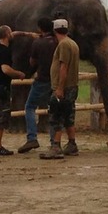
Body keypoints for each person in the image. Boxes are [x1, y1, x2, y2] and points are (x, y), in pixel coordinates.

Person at [39, 19, 80, 160]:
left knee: (56, 117)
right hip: (72, 86)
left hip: (63, 87)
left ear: (55, 30)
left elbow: (63, 67)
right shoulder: (72, 43)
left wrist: (59, 88)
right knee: (69, 116)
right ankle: (72, 143)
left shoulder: (63, 45)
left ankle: (56, 146)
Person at [18, 17, 58, 154]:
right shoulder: (58, 42)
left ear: (40, 28)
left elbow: (32, 62)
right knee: (54, 110)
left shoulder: (37, 43)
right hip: (55, 81)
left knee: (29, 107)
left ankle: (32, 137)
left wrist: (27, 73)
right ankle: (54, 141)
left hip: (41, 80)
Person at [0, 25, 26, 156]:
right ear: (6, 35)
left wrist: (28, 34)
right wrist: (19, 74)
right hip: (1, 88)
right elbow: (6, 69)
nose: (12, 34)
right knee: (1, 118)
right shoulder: (4, 51)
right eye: (10, 33)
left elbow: (14, 33)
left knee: (0, 116)